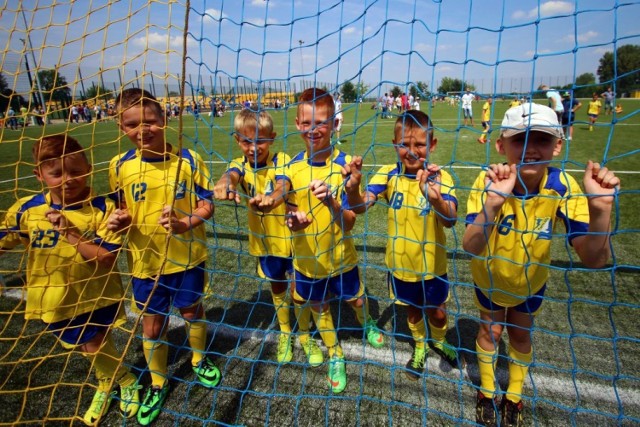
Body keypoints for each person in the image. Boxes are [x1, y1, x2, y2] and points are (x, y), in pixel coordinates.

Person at [463, 103, 620, 427]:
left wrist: (601, 210)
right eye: (520, 139)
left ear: (558, 145)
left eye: (542, 139)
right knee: (489, 332)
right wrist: (493, 204)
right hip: (490, 279)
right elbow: (471, 246)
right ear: (501, 145)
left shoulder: (562, 186)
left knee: (520, 336)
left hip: (530, 284)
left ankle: (514, 396)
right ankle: (487, 391)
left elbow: (593, 259)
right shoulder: (488, 180)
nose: (531, 148)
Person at [251, 88, 385, 394]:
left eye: (322, 122)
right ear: (297, 123)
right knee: (319, 307)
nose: (314, 130)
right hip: (308, 261)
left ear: (334, 124)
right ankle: (334, 353)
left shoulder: (347, 165)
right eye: (307, 122)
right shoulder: (289, 168)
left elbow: (350, 222)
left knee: (357, 300)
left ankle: (367, 323)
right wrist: (287, 216)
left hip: (341, 258)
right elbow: (284, 203)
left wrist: (334, 203)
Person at [0, 134, 141, 425]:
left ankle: (120, 382)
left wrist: (69, 233)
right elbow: (6, 239)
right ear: (39, 174)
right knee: (90, 345)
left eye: (76, 171)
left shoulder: (104, 208)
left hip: (98, 292)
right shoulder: (26, 210)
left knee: (95, 342)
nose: (68, 179)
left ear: (89, 167)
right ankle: (113, 379)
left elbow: (104, 257)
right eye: (56, 173)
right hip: (54, 297)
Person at [107, 88, 220, 425]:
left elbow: (208, 204)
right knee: (152, 327)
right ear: (121, 128)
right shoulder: (120, 166)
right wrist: (120, 218)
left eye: (150, 121)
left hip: (187, 259)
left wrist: (186, 223)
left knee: (192, 310)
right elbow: (119, 206)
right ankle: (158, 383)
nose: (142, 130)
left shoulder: (188, 159)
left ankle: (199, 359)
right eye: (131, 124)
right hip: (145, 263)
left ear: (165, 119)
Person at [344, 110, 464, 380]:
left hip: (433, 267)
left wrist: (434, 198)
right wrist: (352, 189)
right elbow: (362, 206)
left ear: (432, 145)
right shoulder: (388, 175)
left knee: (438, 313)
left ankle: (440, 340)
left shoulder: (440, 177)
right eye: (404, 145)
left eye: (419, 145)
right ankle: (420, 346)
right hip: (400, 268)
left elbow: (450, 220)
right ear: (394, 144)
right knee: (412, 312)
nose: (411, 151)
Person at [212, 109, 317, 366]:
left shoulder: (282, 160)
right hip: (265, 242)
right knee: (278, 286)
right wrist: (225, 184)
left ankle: (304, 334)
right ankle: (285, 331)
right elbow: (231, 177)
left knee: (298, 288)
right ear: (237, 140)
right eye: (246, 141)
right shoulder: (238, 165)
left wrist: (273, 198)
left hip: (291, 238)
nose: (253, 147)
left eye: (260, 140)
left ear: (272, 138)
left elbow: (283, 185)